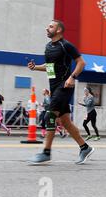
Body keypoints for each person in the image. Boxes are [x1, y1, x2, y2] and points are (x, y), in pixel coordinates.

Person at [27, 20, 94, 165]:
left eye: (51, 26)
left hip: (65, 86)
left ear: (58, 30)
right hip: (55, 86)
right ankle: (85, 147)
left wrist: (72, 77)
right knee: (65, 122)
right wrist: (35, 67)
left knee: (50, 115)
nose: (47, 28)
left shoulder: (66, 45)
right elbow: (50, 67)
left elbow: (81, 63)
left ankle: (46, 152)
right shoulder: (48, 47)